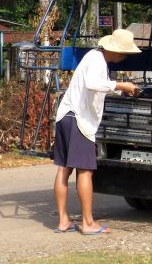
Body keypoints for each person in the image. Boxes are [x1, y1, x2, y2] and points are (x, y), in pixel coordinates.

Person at [52, 28, 140, 235]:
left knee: (64, 169)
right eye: (125, 52)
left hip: (66, 115)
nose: (125, 56)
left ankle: (63, 221)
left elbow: (94, 85)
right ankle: (88, 222)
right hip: (79, 119)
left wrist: (119, 88)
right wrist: (121, 85)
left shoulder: (92, 57)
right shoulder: (99, 61)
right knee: (85, 170)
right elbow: (93, 84)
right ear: (117, 51)